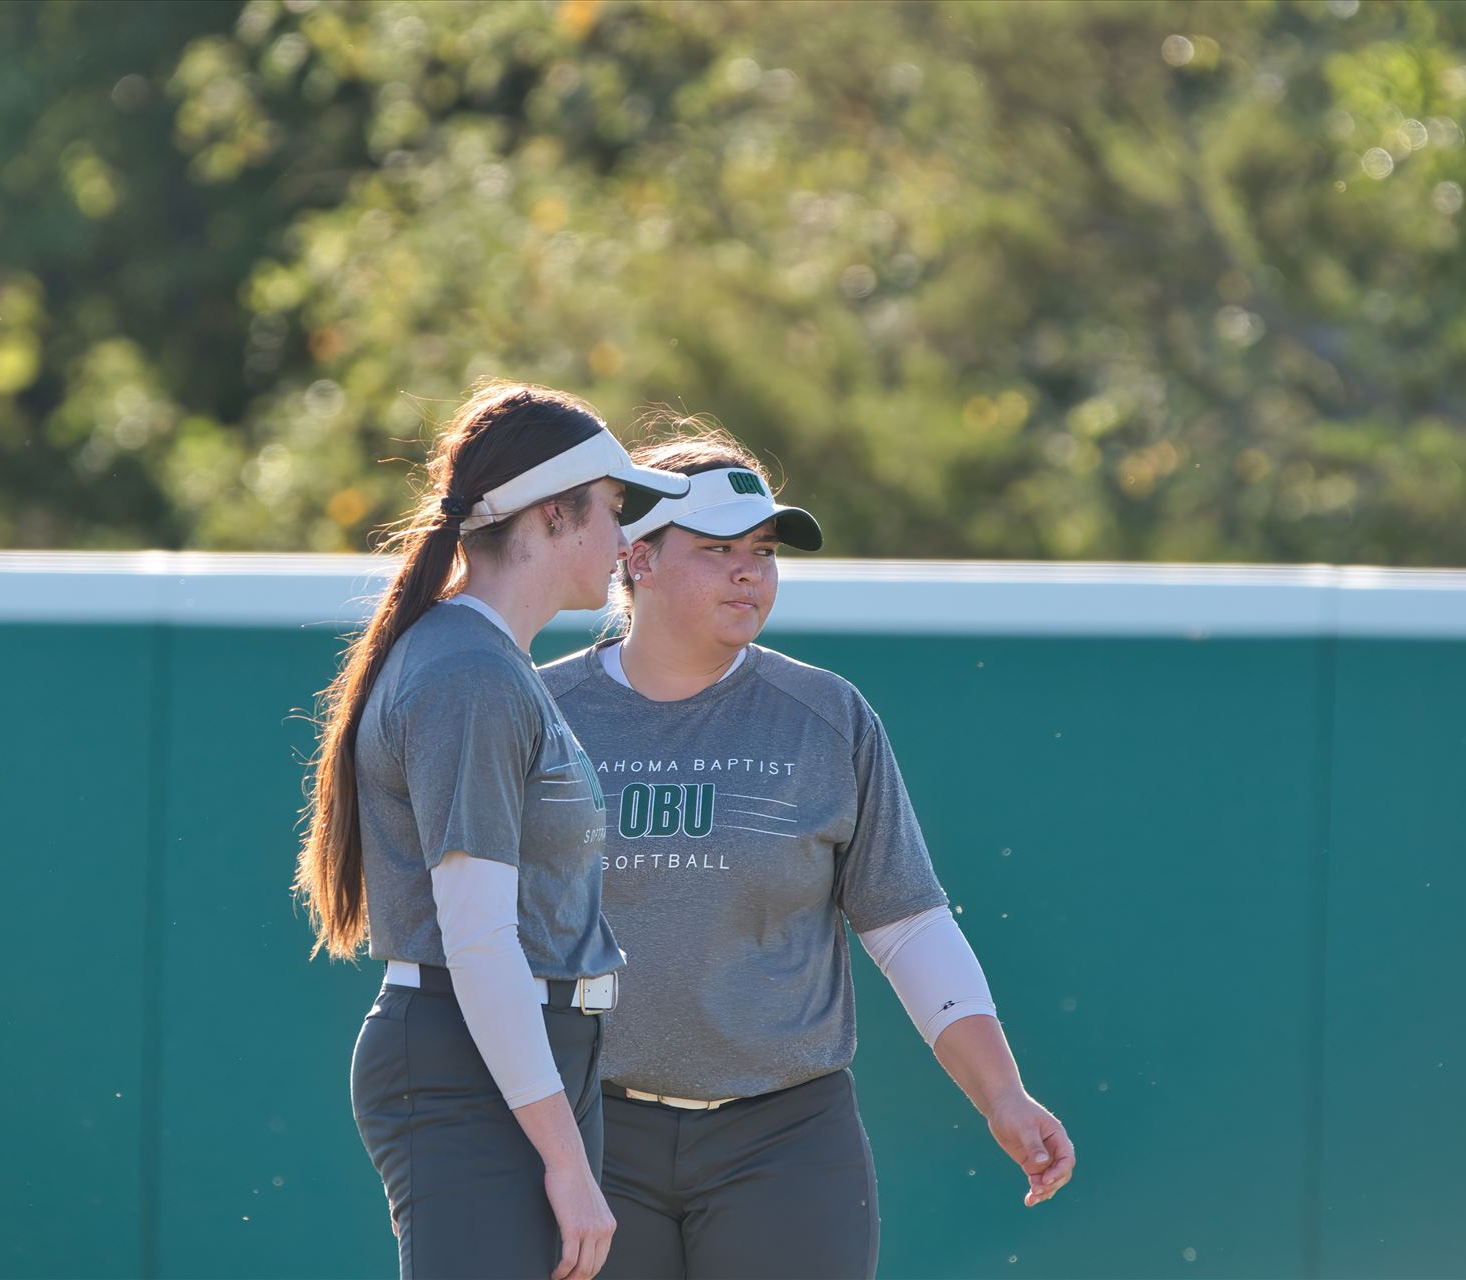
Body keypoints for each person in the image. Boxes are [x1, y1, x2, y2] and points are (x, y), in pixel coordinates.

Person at [539, 425, 1075, 1280]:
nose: (749, 571)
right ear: (636, 558)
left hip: (785, 1140)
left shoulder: (828, 717)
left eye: (762, 551)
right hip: (590, 1134)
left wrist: (1002, 1095)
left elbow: (906, 928)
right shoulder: (539, 712)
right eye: (717, 550)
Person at [294, 381, 690, 1280]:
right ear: (553, 516)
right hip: (469, 1065)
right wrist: (563, 1160)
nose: (626, 541)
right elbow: (478, 942)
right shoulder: (467, 672)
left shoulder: (485, 663)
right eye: (612, 510)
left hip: (519, 1061)